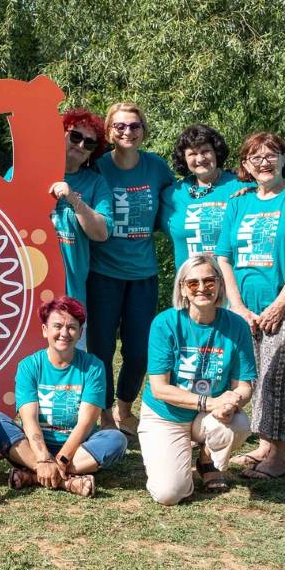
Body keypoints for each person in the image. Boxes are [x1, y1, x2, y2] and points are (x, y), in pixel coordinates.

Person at [216, 132, 285, 480]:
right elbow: (224, 257)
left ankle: (278, 457)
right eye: (256, 157)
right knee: (258, 378)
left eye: (271, 155)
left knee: (280, 376)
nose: (264, 162)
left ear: (283, 159)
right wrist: (236, 305)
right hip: (247, 310)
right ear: (245, 165)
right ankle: (264, 446)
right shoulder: (239, 203)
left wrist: (279, 306)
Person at [138, 254, 256, 505]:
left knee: (238, 424)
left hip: (208, 415)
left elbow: (244, 386)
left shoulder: (237, 326)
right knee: (169, 493)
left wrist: (232, 402)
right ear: (182, 288)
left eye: (209, 281)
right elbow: (160, 389)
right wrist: (211, 403)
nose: (202, 288)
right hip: (166, 415)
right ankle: (178, 456)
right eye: (193, 283)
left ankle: (205, 459)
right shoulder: (165, 323)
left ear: (220, 285)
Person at [0, 297, 128, 497]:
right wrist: (43, 458)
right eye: (57, 326)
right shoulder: (29, 366)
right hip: (35, 447)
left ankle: (34, 476)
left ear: (80, 333)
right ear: (45, 330)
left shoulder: (93, 367)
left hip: (78, 449)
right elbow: (29, 420)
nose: (64, 333)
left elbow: (86, 423)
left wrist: (61, 459)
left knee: (116, 440)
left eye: (72, 328)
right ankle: (67, 482)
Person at [87, 101, 173, 434]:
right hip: (102, 274)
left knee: (139, 351)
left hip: (142, 275)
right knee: (101, 350)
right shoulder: (97, 166)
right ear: (109, 131)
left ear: (143, 131)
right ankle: (105, 414)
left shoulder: (156, 167)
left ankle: (124, 408)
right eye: (120, 126)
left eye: (134, 126)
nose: (127, 132)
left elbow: (181, 198)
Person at [161, 124, 246, 269]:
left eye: (206, 151)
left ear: (216, 152)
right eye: (192, 154)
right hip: (190, 280)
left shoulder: (242, 186)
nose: (200, 159)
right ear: (184, 158)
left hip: (232, 278)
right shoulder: (172, 194)